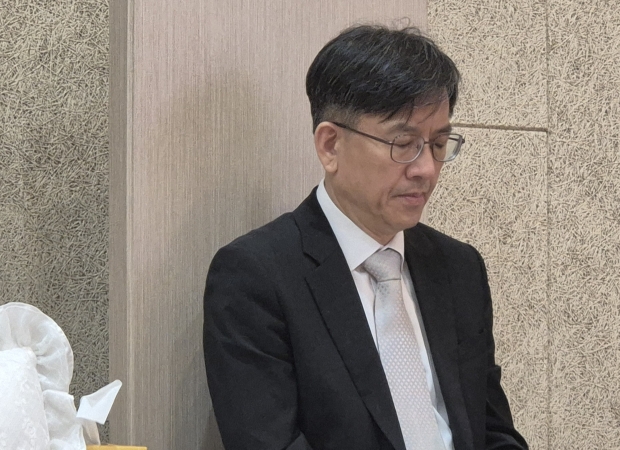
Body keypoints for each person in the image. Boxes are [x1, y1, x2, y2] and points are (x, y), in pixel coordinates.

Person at [203, 24, 528, 450]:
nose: (426, 169)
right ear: (330, 146)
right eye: (403, 143)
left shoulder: (458, 268)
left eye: (438, 144)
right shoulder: (257, 277)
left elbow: (492, 430)